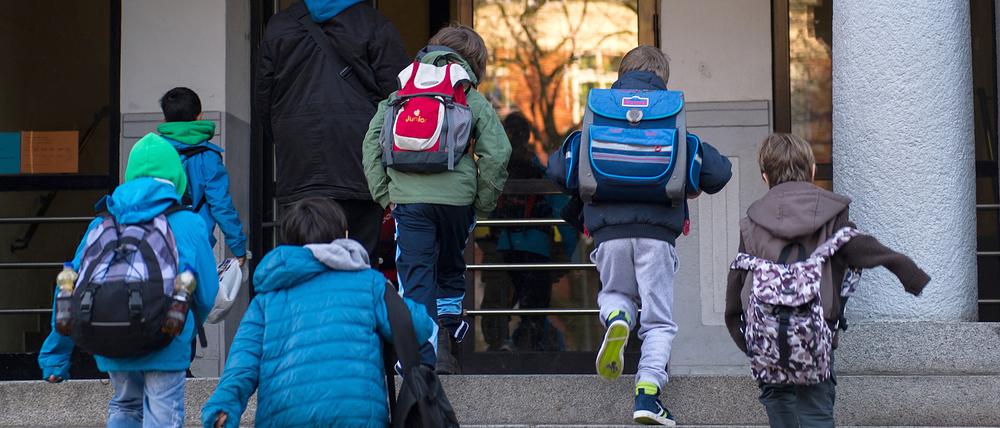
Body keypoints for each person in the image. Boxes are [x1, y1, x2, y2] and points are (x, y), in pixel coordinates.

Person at [725, 133, 930, 428]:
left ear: (765, 176)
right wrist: (907, 272)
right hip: (815, 335)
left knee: (777, 400)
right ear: (812, 171)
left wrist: (740, 332)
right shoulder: (832, 217)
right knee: (815, 410)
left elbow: (737, 280)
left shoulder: (752, 222)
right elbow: (862, 248)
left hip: (766, 338)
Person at [578, 46, 734, 425]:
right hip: (657, 237)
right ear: (663, 80)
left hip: (608, 235)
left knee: (616, 292)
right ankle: (647, 395)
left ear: (621, 75)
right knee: (660, 321)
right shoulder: (671, 123)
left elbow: (558, 168)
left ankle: (616, 316)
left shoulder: (597, 119)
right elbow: (720, 173)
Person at [201, 198, 434, 428]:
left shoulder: (268, 296)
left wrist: (224, 405)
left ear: (290, 241)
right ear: (344, 234)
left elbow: (243, 361)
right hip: (357, 415)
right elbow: (420, 327)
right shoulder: (370, 284)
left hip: (284, 416)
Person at [38, 133, 219, 428]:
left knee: (124, 406)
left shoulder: (102, 223)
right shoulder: (188, 223)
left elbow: (69, 285)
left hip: (111, 334)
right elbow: (207, 294)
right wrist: (183, 323)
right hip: (167, 338)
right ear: (176, 176)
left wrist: (55, 356)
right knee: (163, 415)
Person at [362, 24, 512, 373]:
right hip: (456, 202)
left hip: (409, 203)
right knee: (448, 265)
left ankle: (421, 358)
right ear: (474, 62)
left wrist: (386, 196)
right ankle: (447, 325)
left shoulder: (401, 93)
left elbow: (371, 143)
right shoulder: (466, 95)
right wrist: (481, 202)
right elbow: (499, 151)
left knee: (415, 274)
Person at [256, 0, 409, 257]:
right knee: (361, 254)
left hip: (298, 157)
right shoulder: (371, 22)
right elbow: (398, 93)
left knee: (300, 253)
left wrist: (283, 138)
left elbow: (263, 97)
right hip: (359, 154)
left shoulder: (279, 25)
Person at [481, 112, 563, 352]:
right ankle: (530, 353)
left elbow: (486, 208)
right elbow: (556, 208)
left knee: (496, 310)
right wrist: (563, 253)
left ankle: (500, 352)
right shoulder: (537, 167)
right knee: (533, 312)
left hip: (502, 248)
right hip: (535, 248)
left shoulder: (498, 165)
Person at [158, 87, 248, 265]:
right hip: (195, 242)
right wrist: (238, 248)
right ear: (200, 117)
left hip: (157, 240)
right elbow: (221, 204)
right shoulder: (207, 156)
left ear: (165, 120)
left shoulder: (155, 151)